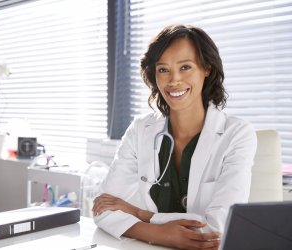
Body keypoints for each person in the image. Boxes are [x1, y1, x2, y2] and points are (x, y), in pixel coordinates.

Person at [92, 24, 257, 250]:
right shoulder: (140, 130)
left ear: (206, 68)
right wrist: (160, 235)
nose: (173, 80)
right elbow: (103, 209)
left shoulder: (237, 134)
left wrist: (142, 215)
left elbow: (216, 231)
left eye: (185, 67)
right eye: (163, 69)